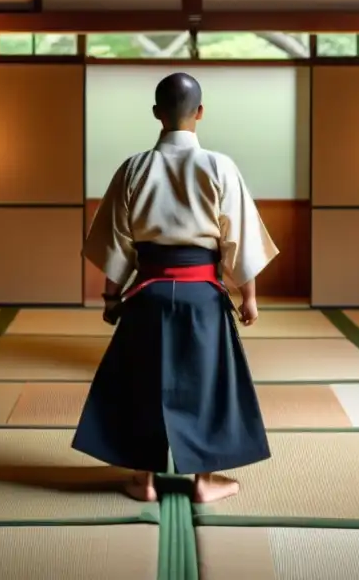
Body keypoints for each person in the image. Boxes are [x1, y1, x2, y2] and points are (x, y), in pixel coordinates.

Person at [72, 72, 279, 504]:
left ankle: (144, 479)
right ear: (200, 113)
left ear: (155, 114)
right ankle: (203, 480)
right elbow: (236, 235)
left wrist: (112, 297)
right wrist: (249, 296)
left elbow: (117, 240)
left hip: (146, 294)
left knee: (139, 382)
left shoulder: (134, 168)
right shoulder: (220, 166)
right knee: (208, 383)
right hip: (202, 294)